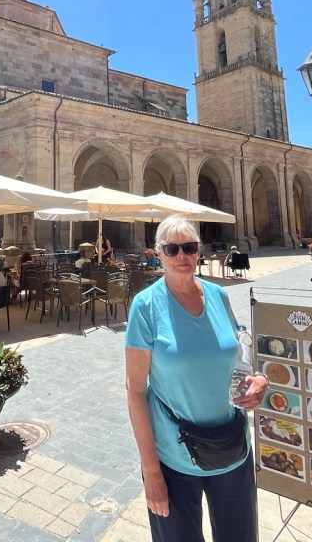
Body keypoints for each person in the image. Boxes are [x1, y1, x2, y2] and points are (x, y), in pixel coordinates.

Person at [125, 215, 267, 541]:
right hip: (174, 459)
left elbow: (238, 357)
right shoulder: (145, 306)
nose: (181, 256)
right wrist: (151, 472)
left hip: (231, 449)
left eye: (189, 248)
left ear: (198, 251)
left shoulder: (219, 296)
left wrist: (258, 379)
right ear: (158, 253)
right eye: (171, 249)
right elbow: (135, 390)